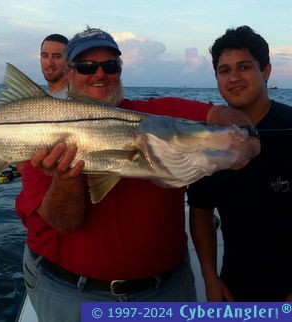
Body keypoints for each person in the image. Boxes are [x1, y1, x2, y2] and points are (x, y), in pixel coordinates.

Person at [15, 27, 257, 321]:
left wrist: (244, 139)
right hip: (69, 293)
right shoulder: (37, 133)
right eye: (86, 66)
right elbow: (64, 223)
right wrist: (65, 176)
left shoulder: (156, 113)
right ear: (68, 73)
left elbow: (221, 116)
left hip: (166, 290)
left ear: (121, 70)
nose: (99, 74)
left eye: (111, 65)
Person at [187, 25, 292, 302]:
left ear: (266, 72)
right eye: (224, 71)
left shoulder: (289, 128)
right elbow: (200, 210)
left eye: (244, 67)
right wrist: (210, 277)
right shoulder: (209, 138)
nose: (234, 78)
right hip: (233, 289)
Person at [40, 33, 69, 98]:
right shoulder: (38, 98)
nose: (49, 63)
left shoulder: (76, 98)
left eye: (57, 57)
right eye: (45, 56)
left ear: (68, 60)